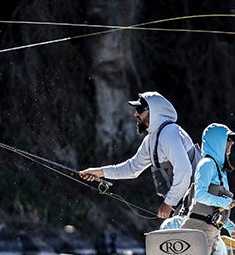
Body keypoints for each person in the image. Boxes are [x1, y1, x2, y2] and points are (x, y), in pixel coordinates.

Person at [78, 91, 196, 219]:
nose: (135, 114)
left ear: (154, 111)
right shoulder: (151, 140)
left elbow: (184, 170)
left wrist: (169, 203)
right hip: (187, 205)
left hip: (198, 205)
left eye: (139, 110)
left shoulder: (169, 133)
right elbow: (132, 168)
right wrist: (100, 172)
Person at [182, 123, 235, 255]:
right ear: (217, 141)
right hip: (199, 229)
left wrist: (230, 226)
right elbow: (200, 196)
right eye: (228, 140)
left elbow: (214, 209)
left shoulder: (220, 171)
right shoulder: (206, 164)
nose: (231, 143)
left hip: (211, 231)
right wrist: (226, 203)